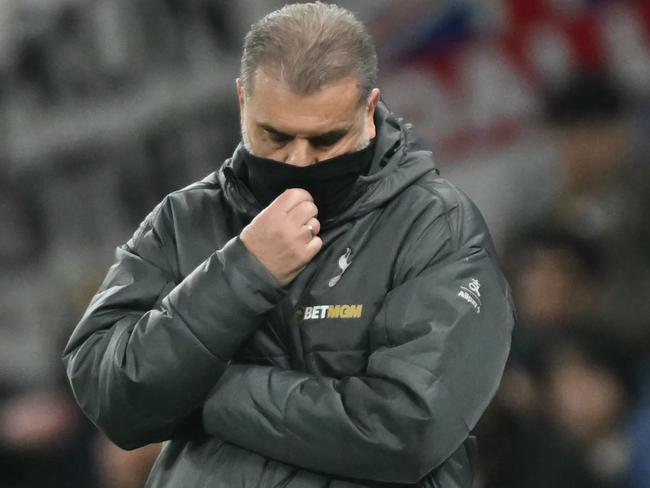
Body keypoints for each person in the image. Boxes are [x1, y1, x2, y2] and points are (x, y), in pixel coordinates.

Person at [63, 3, 514, 486]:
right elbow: (107, 392)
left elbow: (407, 430)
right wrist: (243, 271)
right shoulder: (186, 219)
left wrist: (200, 388)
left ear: (369, 109)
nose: (298, 162)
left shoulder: (435, 226)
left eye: (325, 140)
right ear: (242, 101)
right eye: (274, 136)